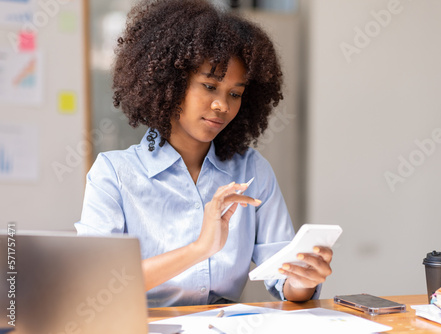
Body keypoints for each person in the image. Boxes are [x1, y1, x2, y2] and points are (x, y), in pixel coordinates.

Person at [75, 0, 333, 307]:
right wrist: (200, 248)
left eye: (235, 93)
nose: (222, 105)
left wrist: (302, 280)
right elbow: (96, 284)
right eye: (209, 86)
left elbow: (284, 280)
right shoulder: (113, 174)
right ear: (170, 83)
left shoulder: (252, 171)